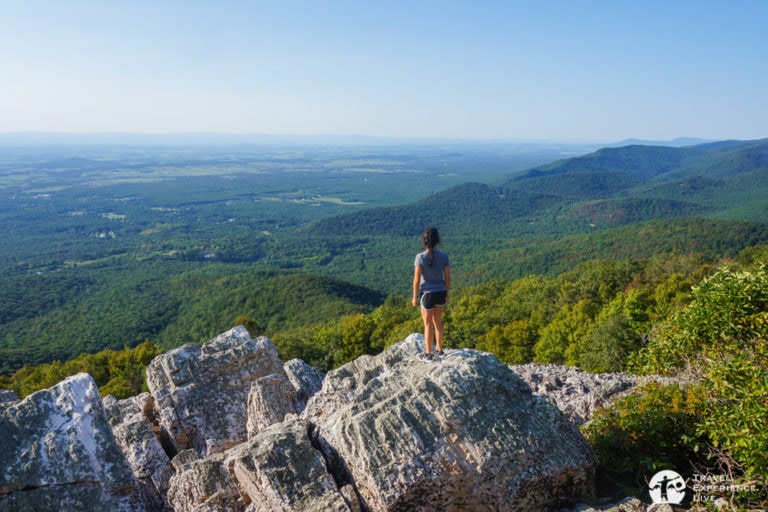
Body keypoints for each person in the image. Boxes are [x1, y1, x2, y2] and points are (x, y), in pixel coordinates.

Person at [412, 227, 451, 361]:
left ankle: (428, 354)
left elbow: (417, 280)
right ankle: (439, 350)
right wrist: (447, 292)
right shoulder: (444, 256)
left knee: (427, 324)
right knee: (438, 322)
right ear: (437, 240)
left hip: (427, 294)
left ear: (424, 240)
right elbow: (447, 277)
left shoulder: (420, 257)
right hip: (440, 292)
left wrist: (414, 297)